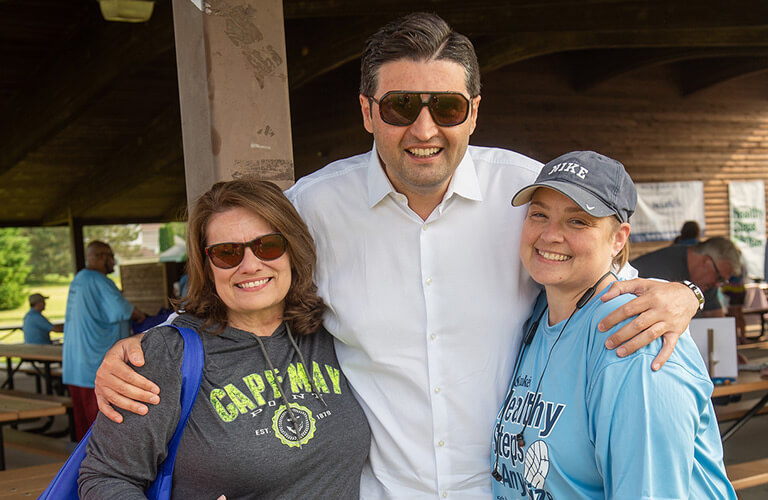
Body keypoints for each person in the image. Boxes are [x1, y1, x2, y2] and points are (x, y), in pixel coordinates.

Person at [92, 13, 701, 498]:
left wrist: (685, 296)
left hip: (504, 490)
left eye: (448, 107)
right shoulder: (313, 207)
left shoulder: (526, 195)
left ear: (475, 111)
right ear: (368, 112)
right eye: (401, 107)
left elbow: (610, 274)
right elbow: (245, 275)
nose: (425, 128)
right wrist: (147, 346)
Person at [78, 179, 370, 498]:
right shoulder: (168, 355)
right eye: (226, 253)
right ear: (207, 265)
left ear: (292, 248)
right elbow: (105, 476)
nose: (250, 265)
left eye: (268, 245)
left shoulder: (329, 330)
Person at [492, 150, 735, 498]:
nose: (549, 235)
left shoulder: (633, 337)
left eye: (577, 221)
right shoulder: (538, 314)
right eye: (539, 214)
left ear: (618, 238)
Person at [63, 241, 147, 440]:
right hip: (96, 367)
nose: (113, 262)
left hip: (76, 367)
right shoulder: (100, 281)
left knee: (84, 429)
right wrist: (143, 316)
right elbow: (124, 311)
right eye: (110, 256)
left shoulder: (80, 279)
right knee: (102, 430)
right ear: (101, 257)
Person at [632, 236, 742, 318]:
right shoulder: (658, 272)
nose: (718, 284)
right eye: (719, 278)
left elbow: (716, 319)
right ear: (706, 262)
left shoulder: (706, 282)